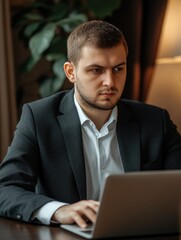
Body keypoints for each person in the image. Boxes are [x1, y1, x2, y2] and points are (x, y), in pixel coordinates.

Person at [0, 20, 181, 229]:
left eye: (118, 69)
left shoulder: (155, 121)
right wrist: (59, 210)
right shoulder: (39, 118)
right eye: (96, 70)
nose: (110, 82)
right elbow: (5, 189)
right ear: (71, 72)